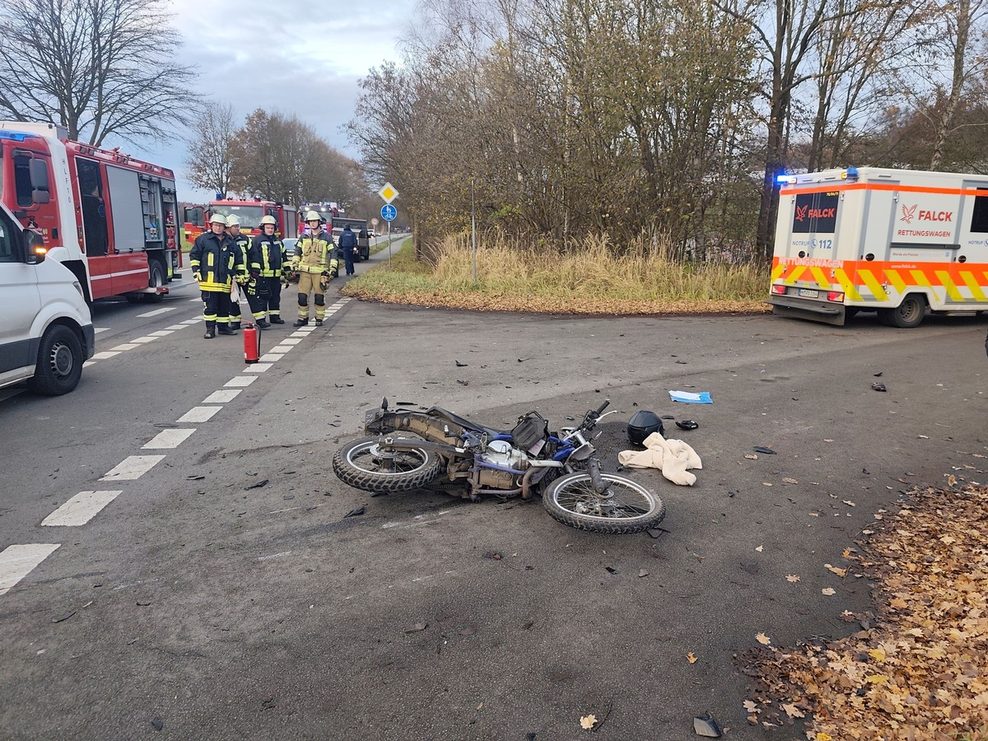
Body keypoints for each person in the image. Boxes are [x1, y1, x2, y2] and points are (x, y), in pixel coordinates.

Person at [189, 213, 244, 339]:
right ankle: (210, 329)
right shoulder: (203, 240)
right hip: (209, 282)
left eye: (220, 226)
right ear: (211, 225)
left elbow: (238, 259)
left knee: (224, 307)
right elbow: (194, 256)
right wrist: (196, 270)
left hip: (226, 281)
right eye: (215, 225)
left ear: (225, 227)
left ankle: (223, 327)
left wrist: (240, 274)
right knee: (210, 307)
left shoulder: (230, 242)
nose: (218, 228)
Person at [291, 211, 339, 327]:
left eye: (314, 221)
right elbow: (297, 251)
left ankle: (319, 318)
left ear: (319, 222)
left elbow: (333, 253)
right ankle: (303, 318)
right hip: (305, 272)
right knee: (302, 297)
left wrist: (332, 268)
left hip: (319, 272)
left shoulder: (327, 237)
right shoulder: (303, 237)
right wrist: (294, 263)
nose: (312, 224)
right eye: (310, 221)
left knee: (319, 297)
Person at [247, 215, 288, 327]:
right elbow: (254, 257)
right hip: (263, 275)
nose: (270, 230)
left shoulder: (278, 242)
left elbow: (283, 257)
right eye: (268, 227)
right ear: (263, 228)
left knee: (275, 296)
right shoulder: (257, 241)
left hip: (276, 275)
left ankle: (275, 317)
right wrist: (255, 272)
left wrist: (288, 271)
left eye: (272, 228)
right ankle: (262, 319)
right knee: (263, 297)